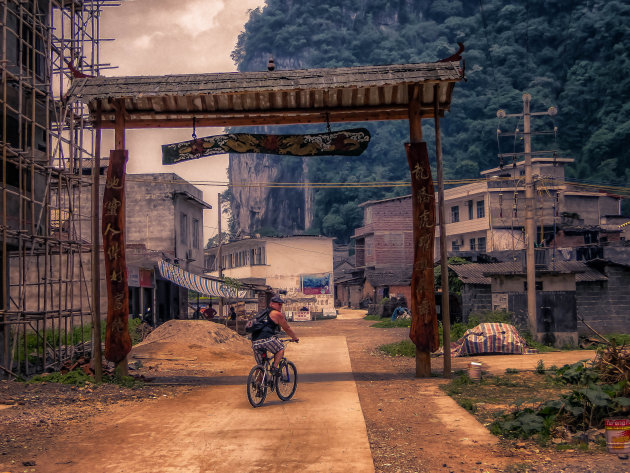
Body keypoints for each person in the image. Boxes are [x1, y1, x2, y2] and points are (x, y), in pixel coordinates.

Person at [251, 295, 299, 375]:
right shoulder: (276, 314)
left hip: (255, 341)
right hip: (267, 339)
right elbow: (287, 328)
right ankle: (274, 367)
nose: (280, 306)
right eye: (278, 304)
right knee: (280, 348)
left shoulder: (262, 313)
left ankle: (257, 385)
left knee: (261, 366)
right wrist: (295, 338)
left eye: (281, 304)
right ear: (272, 304)